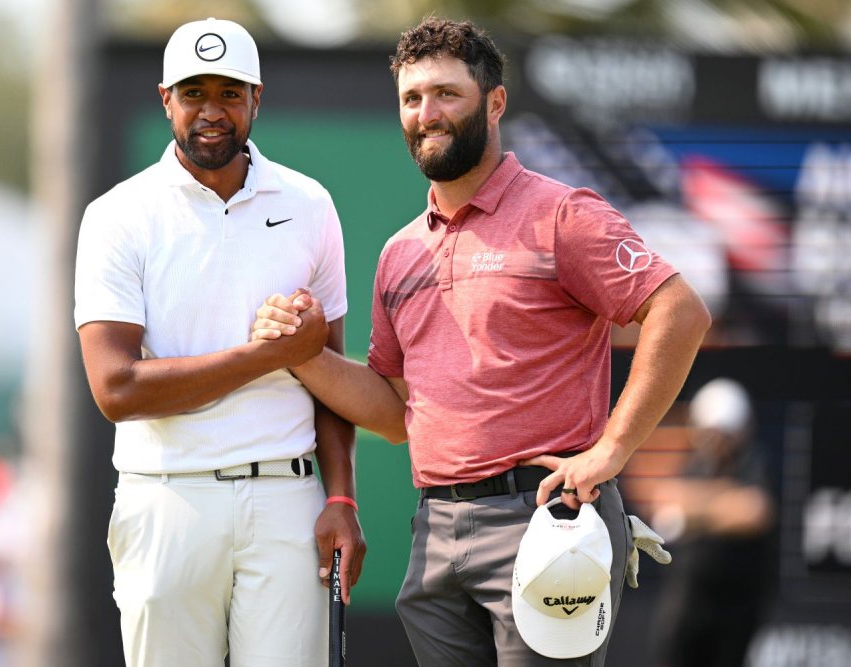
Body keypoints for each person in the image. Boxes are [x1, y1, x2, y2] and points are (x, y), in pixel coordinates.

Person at [250, 17, 710, 667]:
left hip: (548, 518)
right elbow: (392, 409)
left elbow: (680, 310)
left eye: (446, 94)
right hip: (437, 532)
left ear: (495, 103)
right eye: (412, 98)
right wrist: (302, 356)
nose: (426, 113)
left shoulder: (561, 215)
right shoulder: (400, 252)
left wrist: (612, 448)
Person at [73, 18, 365, 667]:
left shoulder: (310, 205)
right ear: (165, 99)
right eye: (194, 92)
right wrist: (264, 357)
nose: (212, 111)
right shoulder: (118, 216)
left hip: (286, 497)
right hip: (165, 495)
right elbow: (116, 388)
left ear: (257, 98)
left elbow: (334, 378)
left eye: (230, 93)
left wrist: (341, 496)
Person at [649, 378, 774, 667]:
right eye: (708, 432)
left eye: (722, 433)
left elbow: (753, 512)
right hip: (687, 599)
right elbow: (665, 503)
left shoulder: (754, 462)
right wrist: (723, 505)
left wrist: (695, 514)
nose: (714, 441)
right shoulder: (695, 465)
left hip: (737, 605)